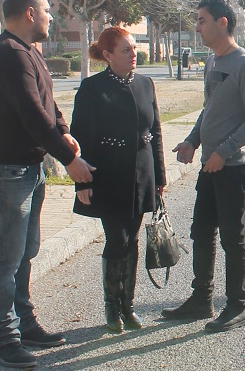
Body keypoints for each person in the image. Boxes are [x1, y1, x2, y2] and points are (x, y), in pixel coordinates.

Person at [0, 0, 95, 368]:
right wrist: (69, 159)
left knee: (25, 252)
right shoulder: (9, 53)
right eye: (46, 10)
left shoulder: (28, 51)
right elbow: (30, 114)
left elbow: (47, 102)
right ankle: (5, 339)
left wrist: (63, 131)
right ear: (29, 13)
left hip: (28, 168)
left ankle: (24, 324)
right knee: (6, 258)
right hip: (5, 171)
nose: (50, 16)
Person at [164, 0, 245, 333]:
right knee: (202, 232)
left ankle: (237, 306)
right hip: (210, 165)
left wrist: (224, 151)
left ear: (222, 23)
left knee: (232, 238)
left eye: (202, 20)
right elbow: (209, 110)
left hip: (233, 166)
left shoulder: (244, 64)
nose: (197, 27)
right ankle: (201, 299)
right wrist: (192, 141)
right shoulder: (211, 61)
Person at [70, 26, 166, 334]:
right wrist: (82, 183)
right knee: (118, 239)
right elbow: (80, 137)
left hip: (142, 174)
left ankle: (128, 305)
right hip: (108, 176)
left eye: (134, 49)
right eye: (126, 50)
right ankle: (112, 306)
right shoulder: (92, 88)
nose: (133, 55)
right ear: (108, 55)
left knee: (133, 239)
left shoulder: (145, 84)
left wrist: (160, 176)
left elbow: (156, 133)